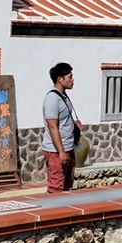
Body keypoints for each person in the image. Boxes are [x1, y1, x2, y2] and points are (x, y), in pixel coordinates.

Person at [42, 62, 84, 192]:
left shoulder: (63, 96)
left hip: (68, 148)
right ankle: (52, 211)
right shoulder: (52, 99)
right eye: (69, 77)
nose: (72, 80)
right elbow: (52, 127)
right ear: (60, 79)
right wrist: (61, 151)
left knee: (66, 186)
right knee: (56, 188)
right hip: (57, 151)